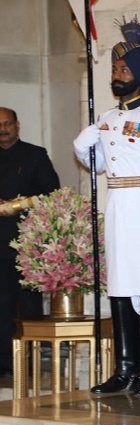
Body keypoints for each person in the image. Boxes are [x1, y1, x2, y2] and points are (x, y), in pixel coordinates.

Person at [74, 20, 140, 396]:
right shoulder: (108, 120)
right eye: (115, 70)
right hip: (118, 209)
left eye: (125, 69)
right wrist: (85, 144)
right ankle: (124, 367)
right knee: (119, 288)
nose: (119, 75)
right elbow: (97, 165)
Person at [0, 107, 60, 376]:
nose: (3, 129)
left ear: (17, 125)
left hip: (27, 241)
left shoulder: (35, 155)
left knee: (29, 304)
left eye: (8, 124)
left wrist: (16, 205)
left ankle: (32, 362)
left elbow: (51, 194)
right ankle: (3, 363)